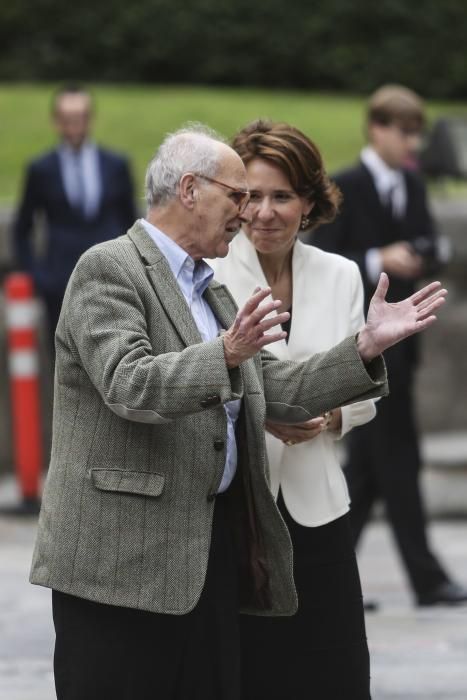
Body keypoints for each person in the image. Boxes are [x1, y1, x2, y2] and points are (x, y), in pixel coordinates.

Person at [29, 124, 446, 700]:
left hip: (203, 561)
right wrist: (224, 353)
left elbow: (275, 387)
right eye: (239, 194)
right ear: (191, 190)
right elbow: (130, 386)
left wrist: (364, 348)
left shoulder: (209, 287)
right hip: (118, 565)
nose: (248, 211)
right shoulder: (110, 267)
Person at [211, 119, 377, 698]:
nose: (263, 212)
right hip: (234, 512)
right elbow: (198, 381)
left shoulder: (341, 275)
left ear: (308, 202)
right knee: (251, 673)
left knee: (335, 672)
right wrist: (263, 414)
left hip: (318, 506)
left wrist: (331, 418)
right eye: (250, 196)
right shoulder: (206, 273)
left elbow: (363, 389)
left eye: (281, 196)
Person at [312, 85, 467, 608]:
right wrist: (379, 256)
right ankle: (421, 578)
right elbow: (325, 258)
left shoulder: (412, 184)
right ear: (376, 128)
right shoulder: (345, 184)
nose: (410, 142)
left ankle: (329, 577)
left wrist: (417, 254)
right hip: (362, 348)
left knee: (373, 469)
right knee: (390, 462)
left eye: (416, 133)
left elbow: (429, 245)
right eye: (403, 131)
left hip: (407, 349)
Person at [13, 84, 136, 347]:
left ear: (90, 118)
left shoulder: (116, 165)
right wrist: (37, 276)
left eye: (80, 117)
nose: (74, 125)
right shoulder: (40, 169)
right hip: (59, 282)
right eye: (67, 118)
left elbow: (132, 222)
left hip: (110, 279)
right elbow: (21, 227)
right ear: (56, 121)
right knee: (63, 359)